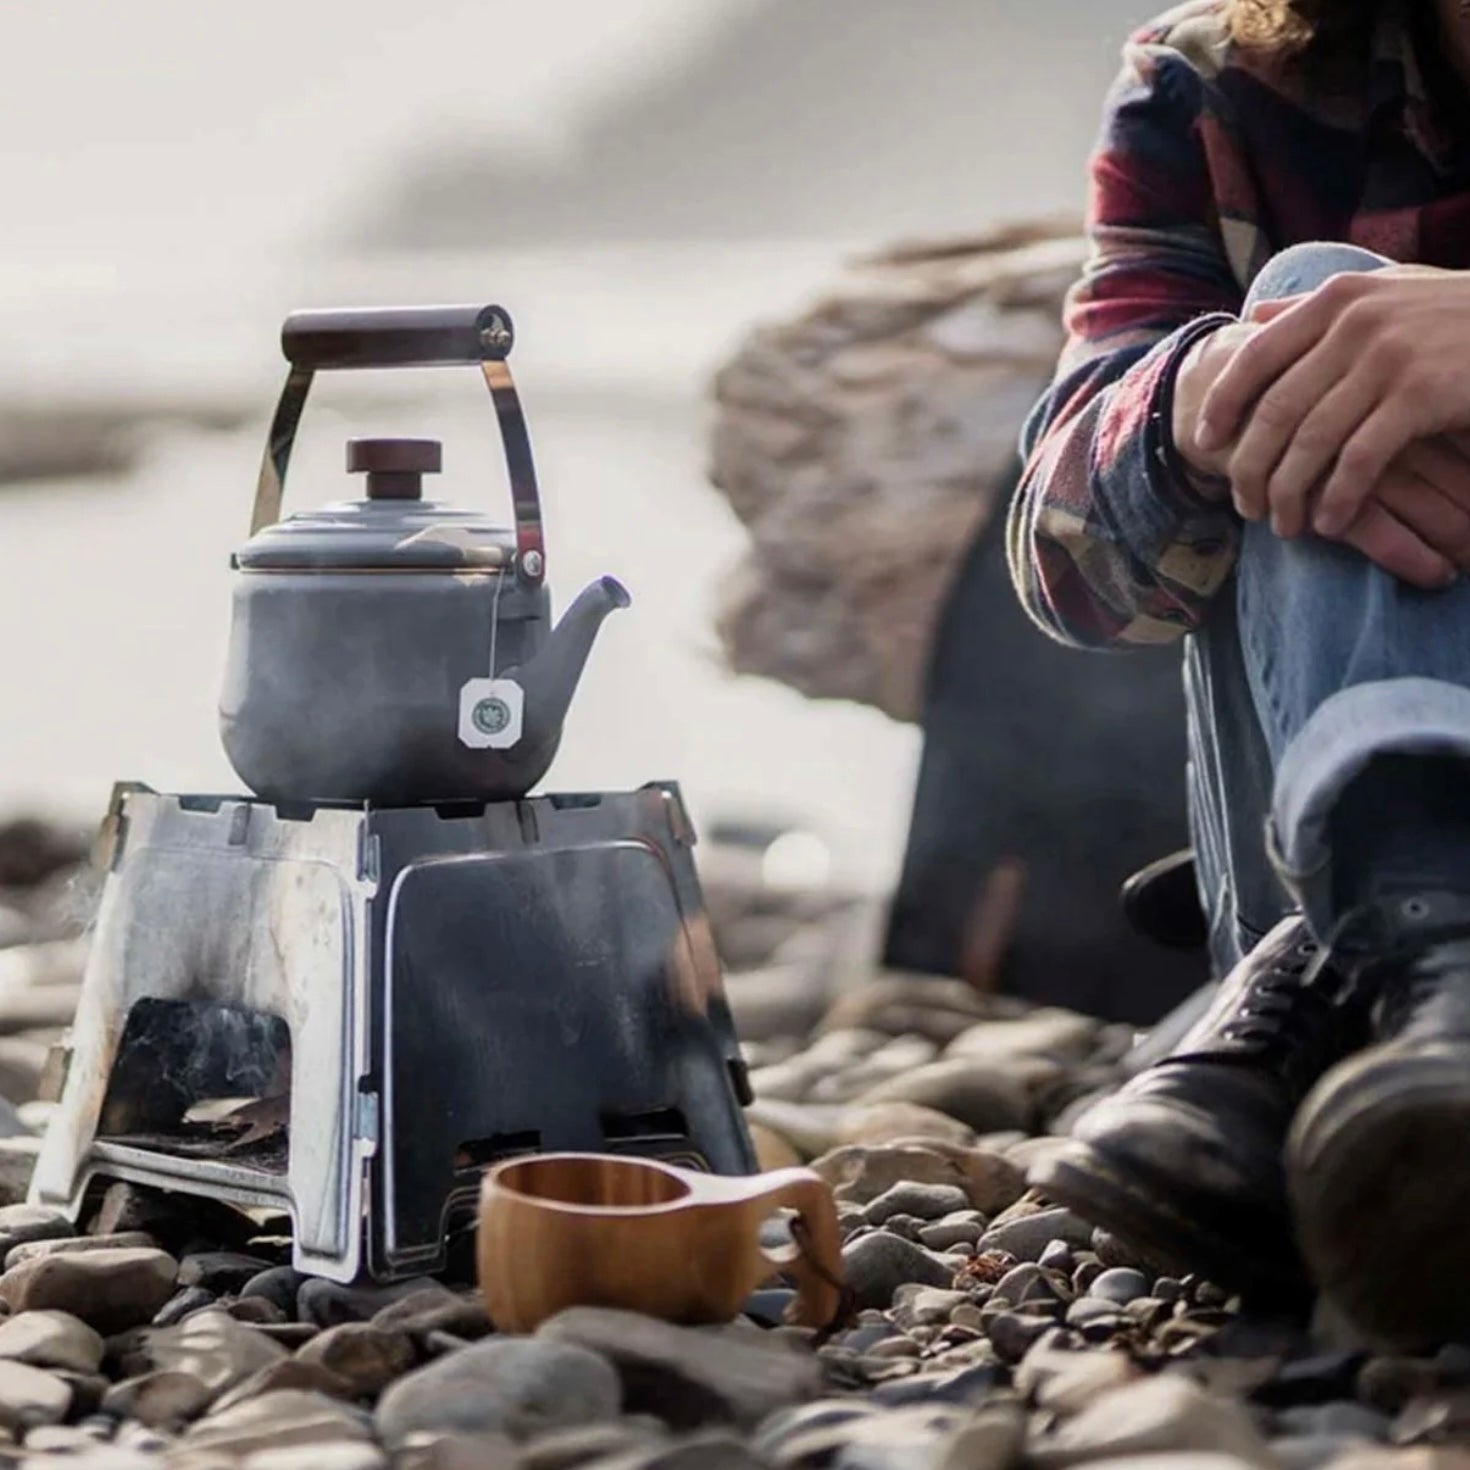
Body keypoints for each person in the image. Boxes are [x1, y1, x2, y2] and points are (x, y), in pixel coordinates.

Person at [1009, 0, 1470, 1346]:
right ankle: (1425, 979)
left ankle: (1320, 1051)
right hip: (1305, 836)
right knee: (1302, 316)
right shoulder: (1213, 86)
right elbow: (1066, 579)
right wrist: (1199, 407)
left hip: (1308, 940)